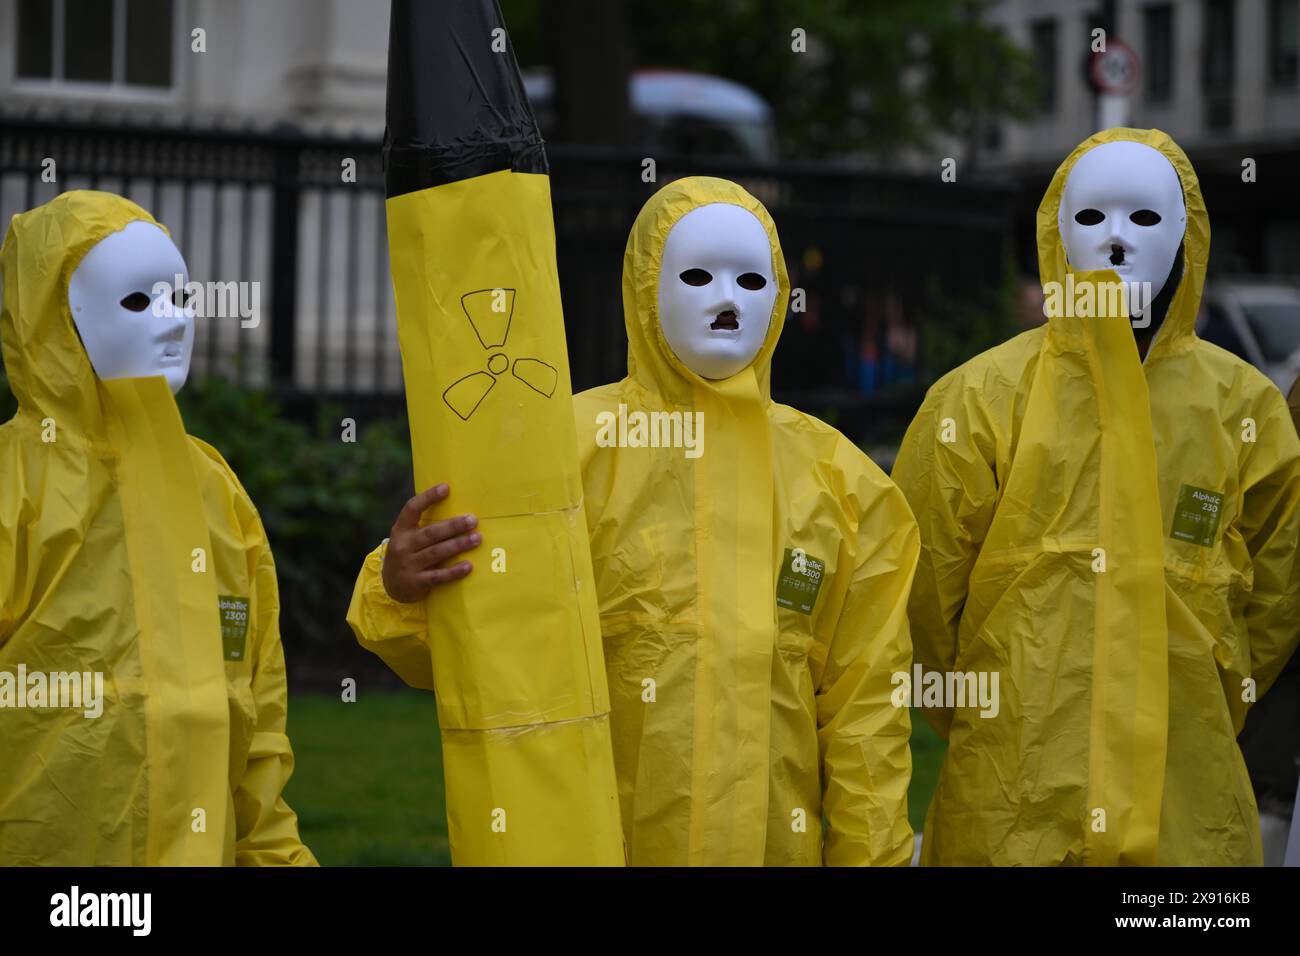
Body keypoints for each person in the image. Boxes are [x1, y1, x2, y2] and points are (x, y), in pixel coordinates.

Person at [349, 176, 919, 866]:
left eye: (750, 279)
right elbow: (485, 652)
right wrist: (400, 589)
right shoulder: (562, 453)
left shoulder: (844, 485)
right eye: (698, 275)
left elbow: (867, 714)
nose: (726, 300)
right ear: (647, 290)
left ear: (780, 296)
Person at [892, 127, 1300, 865]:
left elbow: (1276, 595)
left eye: (1145, 218)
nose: (1116, 241)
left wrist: (1205, 694)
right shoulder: (977, 402)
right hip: (1011, 812)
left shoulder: (1246, 410)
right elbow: (919, 597)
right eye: (1092, 218)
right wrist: (996, 720)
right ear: (1057, 233)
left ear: (1185, 235)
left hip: (1189, 813)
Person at [0, 190, 316, 866]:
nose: (173, 323)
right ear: (59, 318)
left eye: (181, 297)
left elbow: (256, 722)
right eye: (138, 302)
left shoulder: (217, 493)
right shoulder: (14, 487)